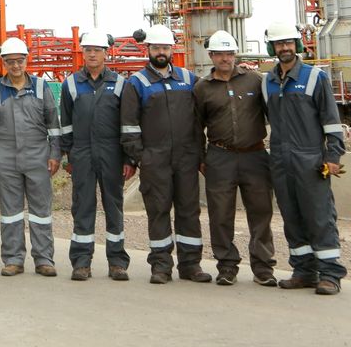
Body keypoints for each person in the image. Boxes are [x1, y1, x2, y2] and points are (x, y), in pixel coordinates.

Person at [120, 24, 211, 284]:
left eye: (165, 48)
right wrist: (141, 157)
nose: (161, 52)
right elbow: (128, 126)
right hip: (155, 160)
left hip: (186, 158)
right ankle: (161, 266)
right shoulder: (136, 83)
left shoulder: (188, 79)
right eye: (156, 47)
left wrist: (199, 153)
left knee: (188, 211)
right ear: (148, 49)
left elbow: (203, 115)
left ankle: (190, 265)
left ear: (172, 50)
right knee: (158, 212)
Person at [262, 22, 346, 295]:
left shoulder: (315, 77)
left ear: (296, 45)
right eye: (279, 44)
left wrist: (333, 155)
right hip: (281, 160)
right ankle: (304, 271)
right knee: (292, 216)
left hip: (311, 160)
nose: (284, 48)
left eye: (288, 43)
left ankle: (330, 274)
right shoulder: (268, 81)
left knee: (319, 216)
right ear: (272, 48)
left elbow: (331, 121)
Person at [194, 30, 276, 286]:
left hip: (255, 156)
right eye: (219, 54)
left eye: (229, 53)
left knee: (261, 212)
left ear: (235, 54)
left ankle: (263, 268)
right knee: (220, 214)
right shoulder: (202, 88)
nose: (225, 58)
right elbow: (196, 128)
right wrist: (202, 158)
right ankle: (227, 265)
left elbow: (274, 114)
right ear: (211, 56)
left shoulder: (254, 81)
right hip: (220, 157)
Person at [0, 37, 62, 277]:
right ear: (3, 62)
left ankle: (44, 259)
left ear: (27, 60)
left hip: (38, 154)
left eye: (19, 60)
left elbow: (53, 125)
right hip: (5, 156)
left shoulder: (40, 87)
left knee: (41, 211)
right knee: (11, 212)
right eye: (10, 61)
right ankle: (14, 259)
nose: (15, 66)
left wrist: (55, 153)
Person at [59, 31, 133, 281]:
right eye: (88, 49)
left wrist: (128, 159)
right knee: (82, 207)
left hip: (112, 153)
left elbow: (127, 124)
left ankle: (117, 263)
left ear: (106, 52)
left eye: (97, 49)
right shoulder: (70, 84)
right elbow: (65, 124)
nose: (92, 53)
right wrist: (69, 156)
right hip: (82, 153)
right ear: (82, 52)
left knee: (114, 207)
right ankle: (81, 262)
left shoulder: (121, 84)